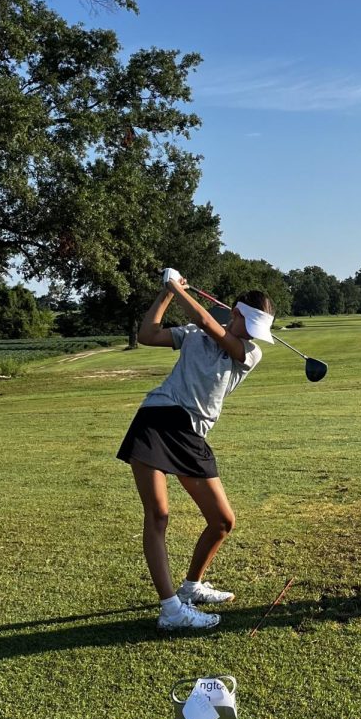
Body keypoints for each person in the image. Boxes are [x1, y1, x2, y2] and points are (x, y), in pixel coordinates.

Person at [117, 269, 275, 630]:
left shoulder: (249, 354)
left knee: (222, 521)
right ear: (235, 313)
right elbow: (146, 334)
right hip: (156, 420)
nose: (254, 336)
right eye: (250, 325)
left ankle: (191, 587)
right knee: (158, 515)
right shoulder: (191, 337)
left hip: (191, 435)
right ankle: (171, 609)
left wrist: (175, 285)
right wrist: (167, 295)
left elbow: (206, 320)